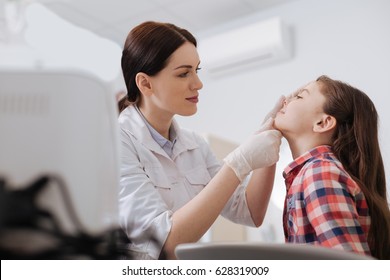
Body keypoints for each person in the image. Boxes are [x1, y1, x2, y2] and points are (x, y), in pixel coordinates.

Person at [118, 21, 283, 260]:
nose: (198, 84)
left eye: (197, 70)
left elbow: (249, 211)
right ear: (145, 83)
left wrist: (268, 140)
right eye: (184, 73)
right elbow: (165, 244)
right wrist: (239, 162)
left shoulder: (194, 144)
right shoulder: (117, 143)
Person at [274, 75, 390, 259]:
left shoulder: (319, 173)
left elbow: (348, 267)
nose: (286, 100)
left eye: (300, 96)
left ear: (323, 123)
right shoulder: (315, 172)